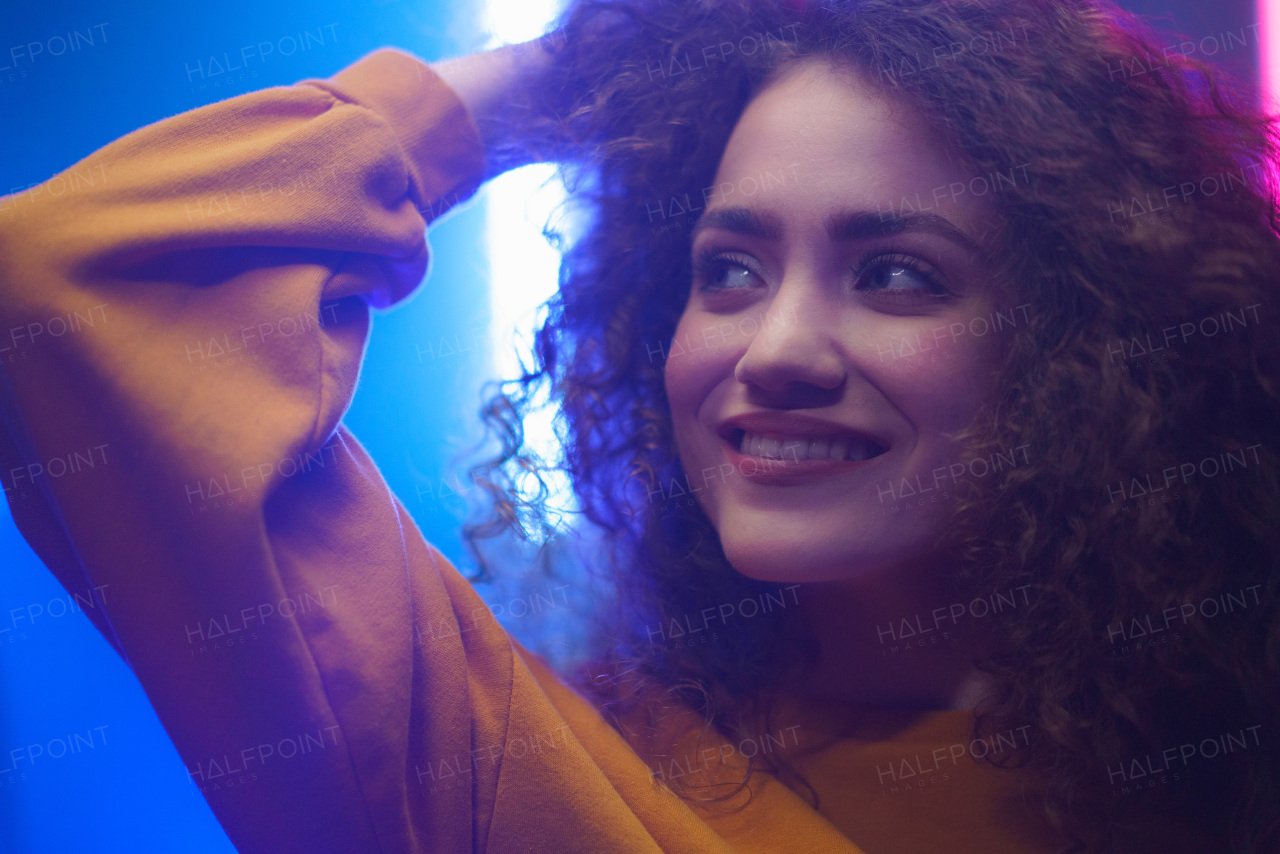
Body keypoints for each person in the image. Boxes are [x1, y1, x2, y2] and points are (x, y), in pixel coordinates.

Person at [0, 0, 1276, 852]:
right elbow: (66, 278)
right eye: (726, 268)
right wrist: (573, 75)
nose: (771, 349)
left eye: (895, 273)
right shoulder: (539, 769)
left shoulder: (1222, 760)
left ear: (1091, 349)